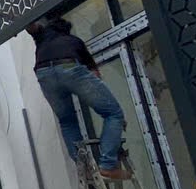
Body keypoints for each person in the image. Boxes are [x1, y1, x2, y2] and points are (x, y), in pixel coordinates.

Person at [27, 16, 131, 180]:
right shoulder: (74, 41)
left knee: (67, 121)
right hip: (68, 65)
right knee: (113, 114)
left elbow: (30, 25)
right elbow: (94, 75)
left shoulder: (41, 38)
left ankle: (85, 168)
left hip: (43, 73)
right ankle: (108, 166)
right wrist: (115, 118)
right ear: (66, 30)